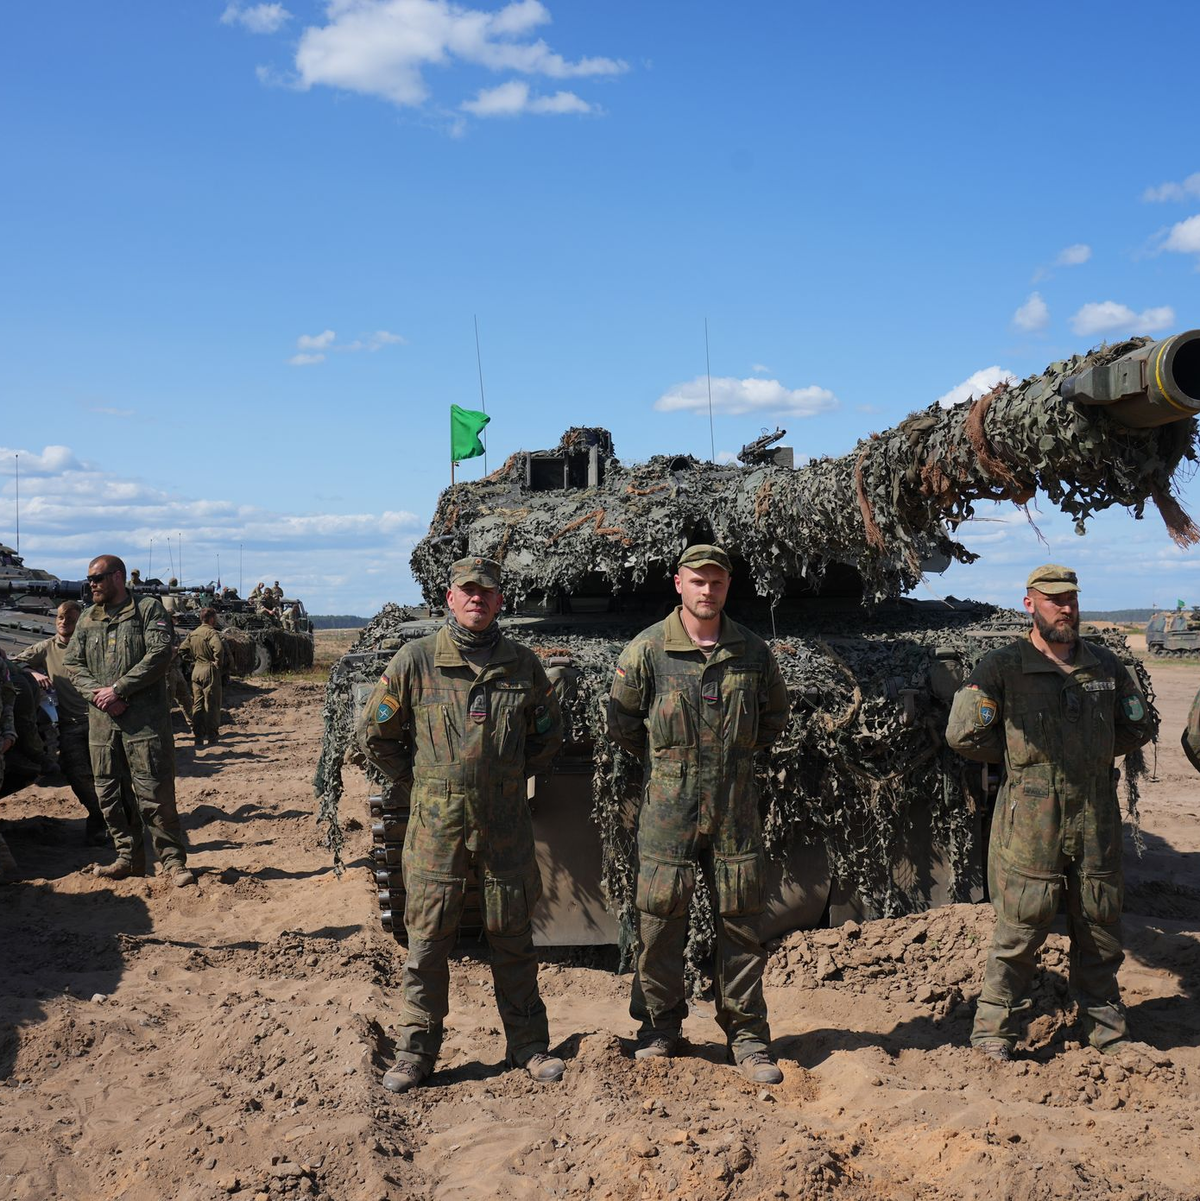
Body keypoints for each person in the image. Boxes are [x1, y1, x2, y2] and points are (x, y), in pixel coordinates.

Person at [357, 555, 565, 1093]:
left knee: (513, 938)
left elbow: (547, 736)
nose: (477, 599)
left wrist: (508, 779)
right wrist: (420, 787)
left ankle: (528, 1045)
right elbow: (376, 736)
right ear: (450, 598)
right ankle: (415, 1052)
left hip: (504, 827)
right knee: (427, 941)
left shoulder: (523, 665)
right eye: (467, 591)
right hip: (436, 828)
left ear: (500, 601)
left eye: (487, 592)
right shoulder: (416, 660)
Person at [947, 564, 1155, 1061]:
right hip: (1032, 819)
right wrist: (1025, 765)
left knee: (1100, 923)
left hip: (1095, 815)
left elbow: (1135, 727)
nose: (1065, 608)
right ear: (1030, 604)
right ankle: (995, 1033)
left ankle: (1105, 1030)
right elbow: (963, 734)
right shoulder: (1003, 667)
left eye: (1072, 600)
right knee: (1021, 924)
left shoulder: (1105, 666)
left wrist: (1086, 760)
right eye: (1053, 599)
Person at [607, 544, 791, 1085]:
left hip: (735, 807)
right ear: (678, 584)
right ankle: (660, 1028)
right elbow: (622, 725)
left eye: (716, 582)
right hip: (669, 807)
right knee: (660, 921)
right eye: (697, 581)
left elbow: (773, 721)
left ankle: (748, 1036)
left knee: (742, 922)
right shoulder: (646, 652)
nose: (707, 590)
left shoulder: (752, 653)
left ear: (727, 587)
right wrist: (674, 766)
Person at [65, 554, 196, 888]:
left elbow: (159, 654)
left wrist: (120, 690)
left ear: (118, 577)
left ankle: (172, 862)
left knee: (154, 793)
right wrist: (99, 694)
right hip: (102, 724)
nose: (91, 584)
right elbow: (73, 662)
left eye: (97, 578)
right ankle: (128, 858)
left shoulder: (147, 609)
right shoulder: (88, 619)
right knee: (109, 795)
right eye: (89, 579)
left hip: (144, 723)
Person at [14, 600, 109, 844]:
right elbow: (15, 663)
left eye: (70, 619)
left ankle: (117, 823)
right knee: (78, 774)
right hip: (72, 724)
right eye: (59, 618)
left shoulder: (92, 646)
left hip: (102, 720)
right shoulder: (46, 648)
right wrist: (32, 672)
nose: (63, 622)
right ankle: (98, 821)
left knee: (109, 775)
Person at [185, 607, 224, 747]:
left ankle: (198, 737)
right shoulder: (211, 633)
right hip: (209, 669)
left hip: (196, 669)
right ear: (212, 619)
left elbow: (183, 649)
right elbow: (218, 649)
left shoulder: (193, 633)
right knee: (212, 704)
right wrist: (217, 662)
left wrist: (191, 660)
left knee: (197, 704)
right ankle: (212, 737)